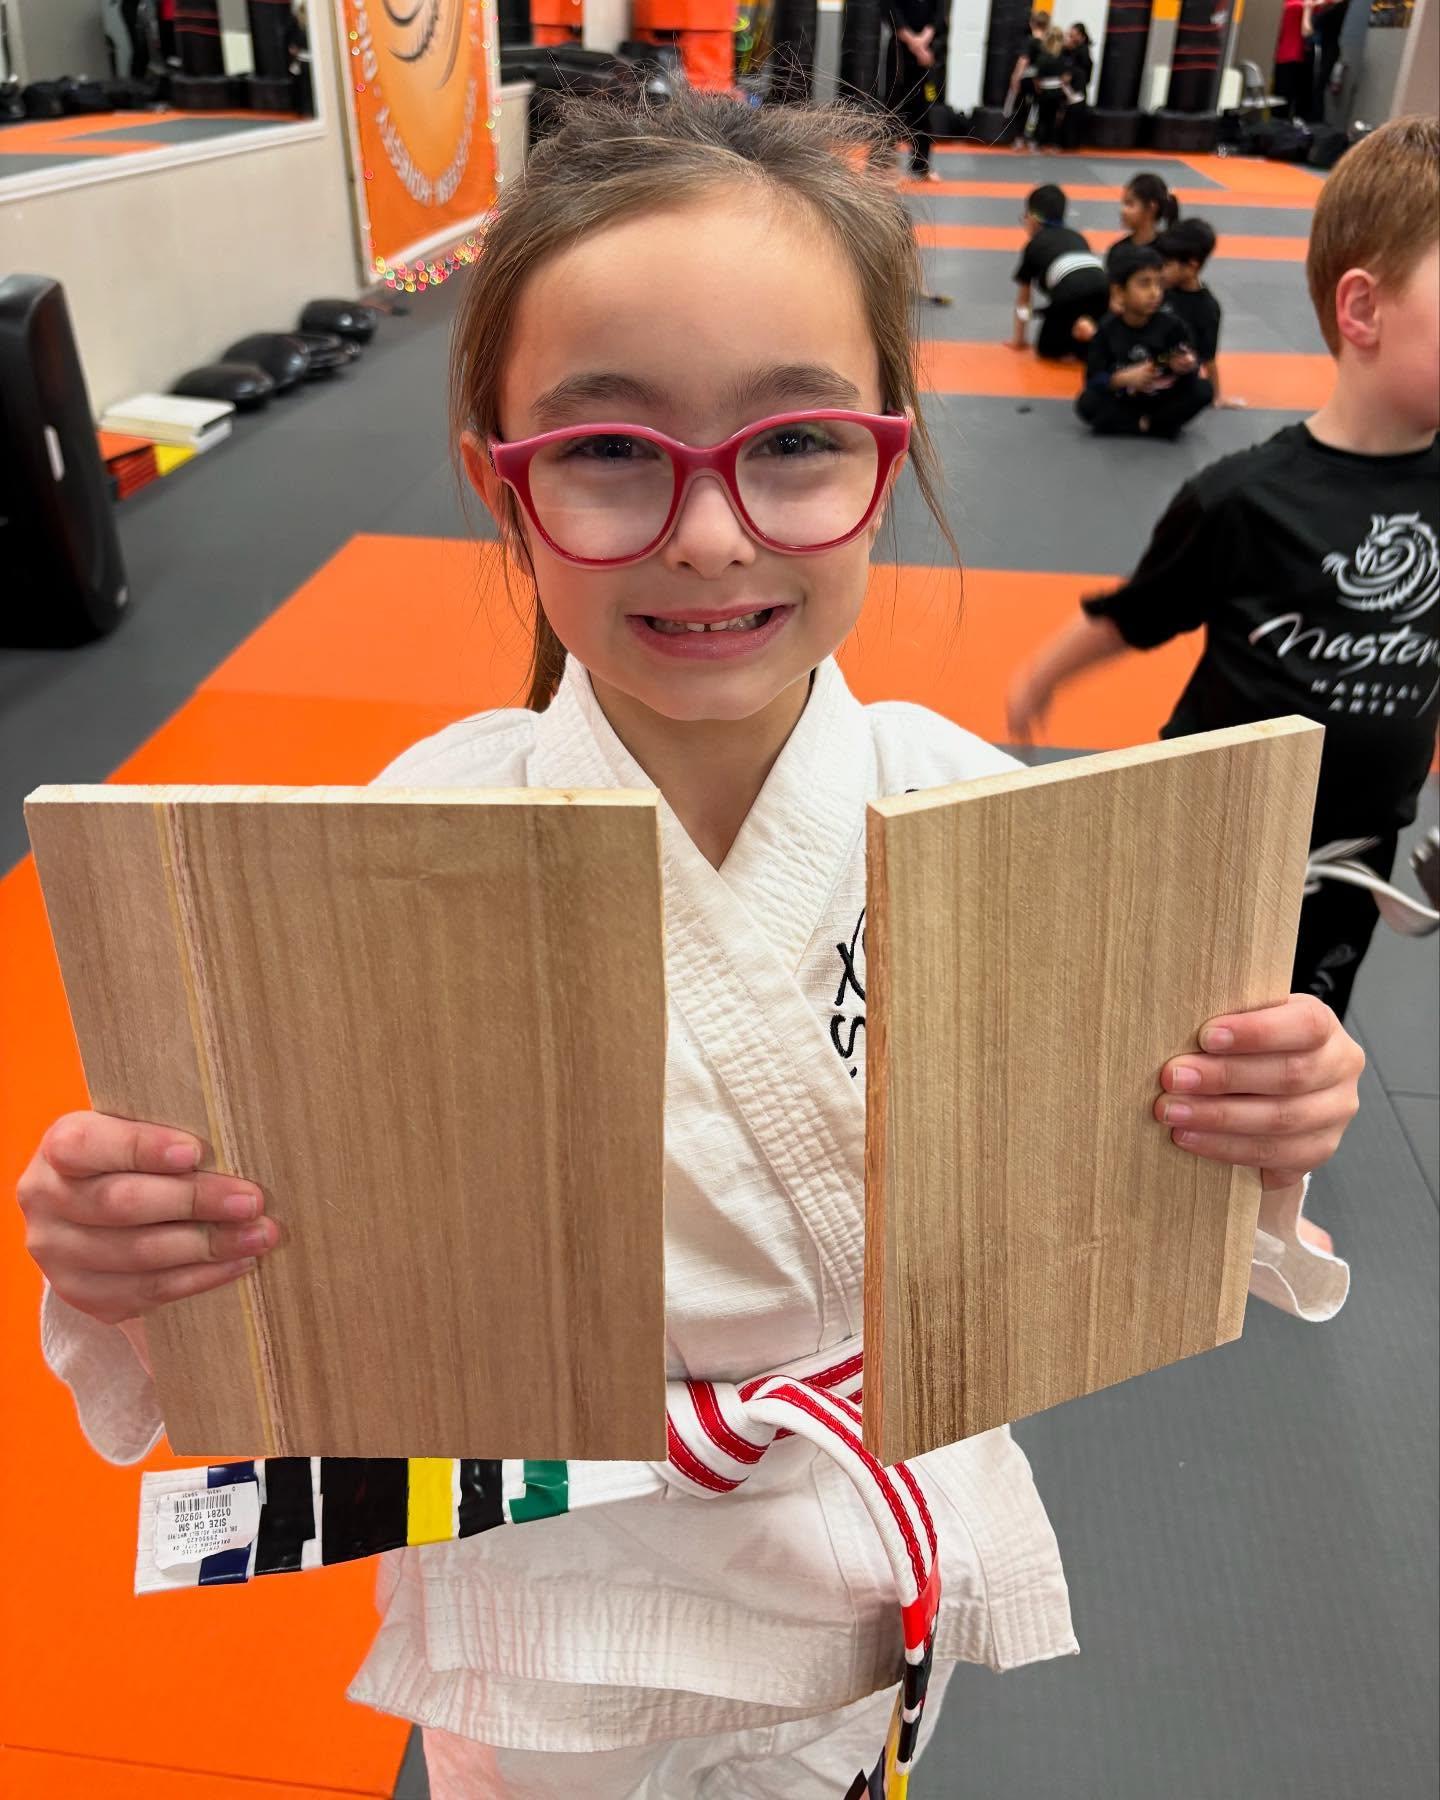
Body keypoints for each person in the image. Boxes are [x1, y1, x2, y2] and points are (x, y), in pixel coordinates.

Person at [18, 90, 1366, 1800]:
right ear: (497, 489)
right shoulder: (398, 847)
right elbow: (297, 1261)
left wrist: (1258, 1122)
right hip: (555, 1599)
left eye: (795, 442)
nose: (711, 531)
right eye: (603, 451)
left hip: (860, 1581)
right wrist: (130, 1242)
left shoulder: (995, 828)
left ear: (891, 454)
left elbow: (1120, 1209)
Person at [1011, 115, 1439, 1022]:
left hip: (1361, 844)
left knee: (1302, 1024)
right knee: (1173, 1012)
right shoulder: (1244, 499)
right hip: (1212, 824)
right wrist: (1039, 680)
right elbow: (1138, 612)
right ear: (1362, 309)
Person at [1077, 244, 1214, 437]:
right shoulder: (1107, 330)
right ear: (1119, 292)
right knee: (1087, 403)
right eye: (1144, 284)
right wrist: (1123, 378)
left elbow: (1188, 361)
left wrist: (1183, 365)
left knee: (1203, 390)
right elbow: (1093, 379)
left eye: (1158, 284)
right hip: (1124, 398)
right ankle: (1150, 425)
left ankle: (1146, 423)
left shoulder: (1173, 326)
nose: (1154, 293)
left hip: (1162, 398)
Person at [1010, 183, 1110, 358]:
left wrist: (1019, 339)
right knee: (1084, 329)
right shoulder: (1077, 236)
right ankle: (1093, 338)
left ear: (1033, 218)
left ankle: (1082, 339)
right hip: (1103, 285)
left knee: (1048, 349)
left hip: (1069, 292)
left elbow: (1024, 297)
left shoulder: (1034, 244)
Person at [1157, 218, 1223, 389]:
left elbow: (1208, 358)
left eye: (1168, 265)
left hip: (1174, 374)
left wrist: (1215, 395)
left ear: (1192, 266)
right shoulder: (1157, 289)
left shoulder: (1207, 308)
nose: (1161, 271)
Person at [885, 0, 947, 179]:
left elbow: (938, 15)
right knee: (893, 106)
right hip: (900, 51)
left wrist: (923, 43)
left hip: (926, 53)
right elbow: (893, 13)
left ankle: (921, 166)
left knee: (923, 108)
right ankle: (884, 163)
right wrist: (915, 45)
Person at [1106, 171, 1181, 273]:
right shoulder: (1118, 252)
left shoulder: (1171, 252)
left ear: (1151, 207)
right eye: (1123, 203)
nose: (1123, 210)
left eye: (1130, 204)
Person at [1004, 9, 1050, 148]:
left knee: (1022, 108)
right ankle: (1033, 139)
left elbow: (1023, 60)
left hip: (1028, 78)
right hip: (1042, 80)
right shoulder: (1047, 43)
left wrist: (1015, 77)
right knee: (1036, 109)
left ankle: (1019, 138)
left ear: (1032, 24)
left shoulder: (1029, 41)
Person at [1029, 26, 1070, 150]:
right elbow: (1066, 76)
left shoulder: (1043, 56)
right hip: (1058, 90)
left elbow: (1037, 77)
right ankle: (1053, 143)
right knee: (1055, 118)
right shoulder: (1062, 57)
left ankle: (1039, 142)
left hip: (1044, 90)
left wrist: (1038, 88)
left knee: (1042, 117)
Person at [1060, 22, 1094, 150]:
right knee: (1069, 113)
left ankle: (1072, 142)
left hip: (1078, 87)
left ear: (1081, 36)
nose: (1071, 38)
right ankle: (1068, 141)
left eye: (1073, 35)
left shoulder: (1082, 51)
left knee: (1074, 113)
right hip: (1073, 86)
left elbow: (1084, 70)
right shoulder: (1071, 50)